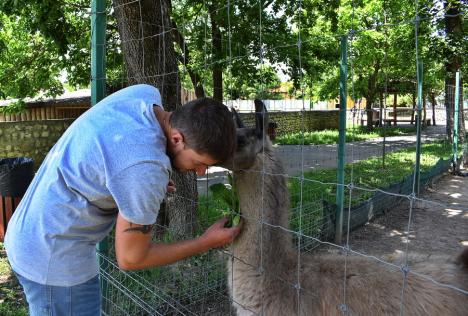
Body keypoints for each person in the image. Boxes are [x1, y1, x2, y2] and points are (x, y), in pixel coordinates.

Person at [4, 84, 241, 315]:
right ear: (177, 138)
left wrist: (135, 185)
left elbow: (112, 157)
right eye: (200, 163)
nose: (200, 172)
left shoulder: (142, 95)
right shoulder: (145, 170)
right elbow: (131, 258)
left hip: (31, 230)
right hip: (53, 259)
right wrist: (206, 242)